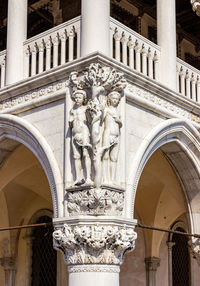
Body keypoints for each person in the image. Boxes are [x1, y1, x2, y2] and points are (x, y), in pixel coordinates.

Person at [69, 90, 92, 185]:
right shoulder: (72, 110)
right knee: (76, 156)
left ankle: (88, 178)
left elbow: (90, 120)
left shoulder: (85, 108)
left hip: (84, 132)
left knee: (86, 154)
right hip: (75, 134)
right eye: (76, 98)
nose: (77, 99)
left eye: (79, 98)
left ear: (83, 99)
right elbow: (70, 124)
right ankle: (78, 178)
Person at [102, 91, 122, 184]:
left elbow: (120, 124)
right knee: (105, 157)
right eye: (113, 98)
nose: (115, 100)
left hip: (116, 136)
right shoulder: (107, 110)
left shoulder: (117, 112)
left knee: (114, 158)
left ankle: (113, 179)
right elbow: (99, 120)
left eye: (117, 99)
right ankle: (106, 179)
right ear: (109, 99)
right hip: (108, 134)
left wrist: (118, 120)